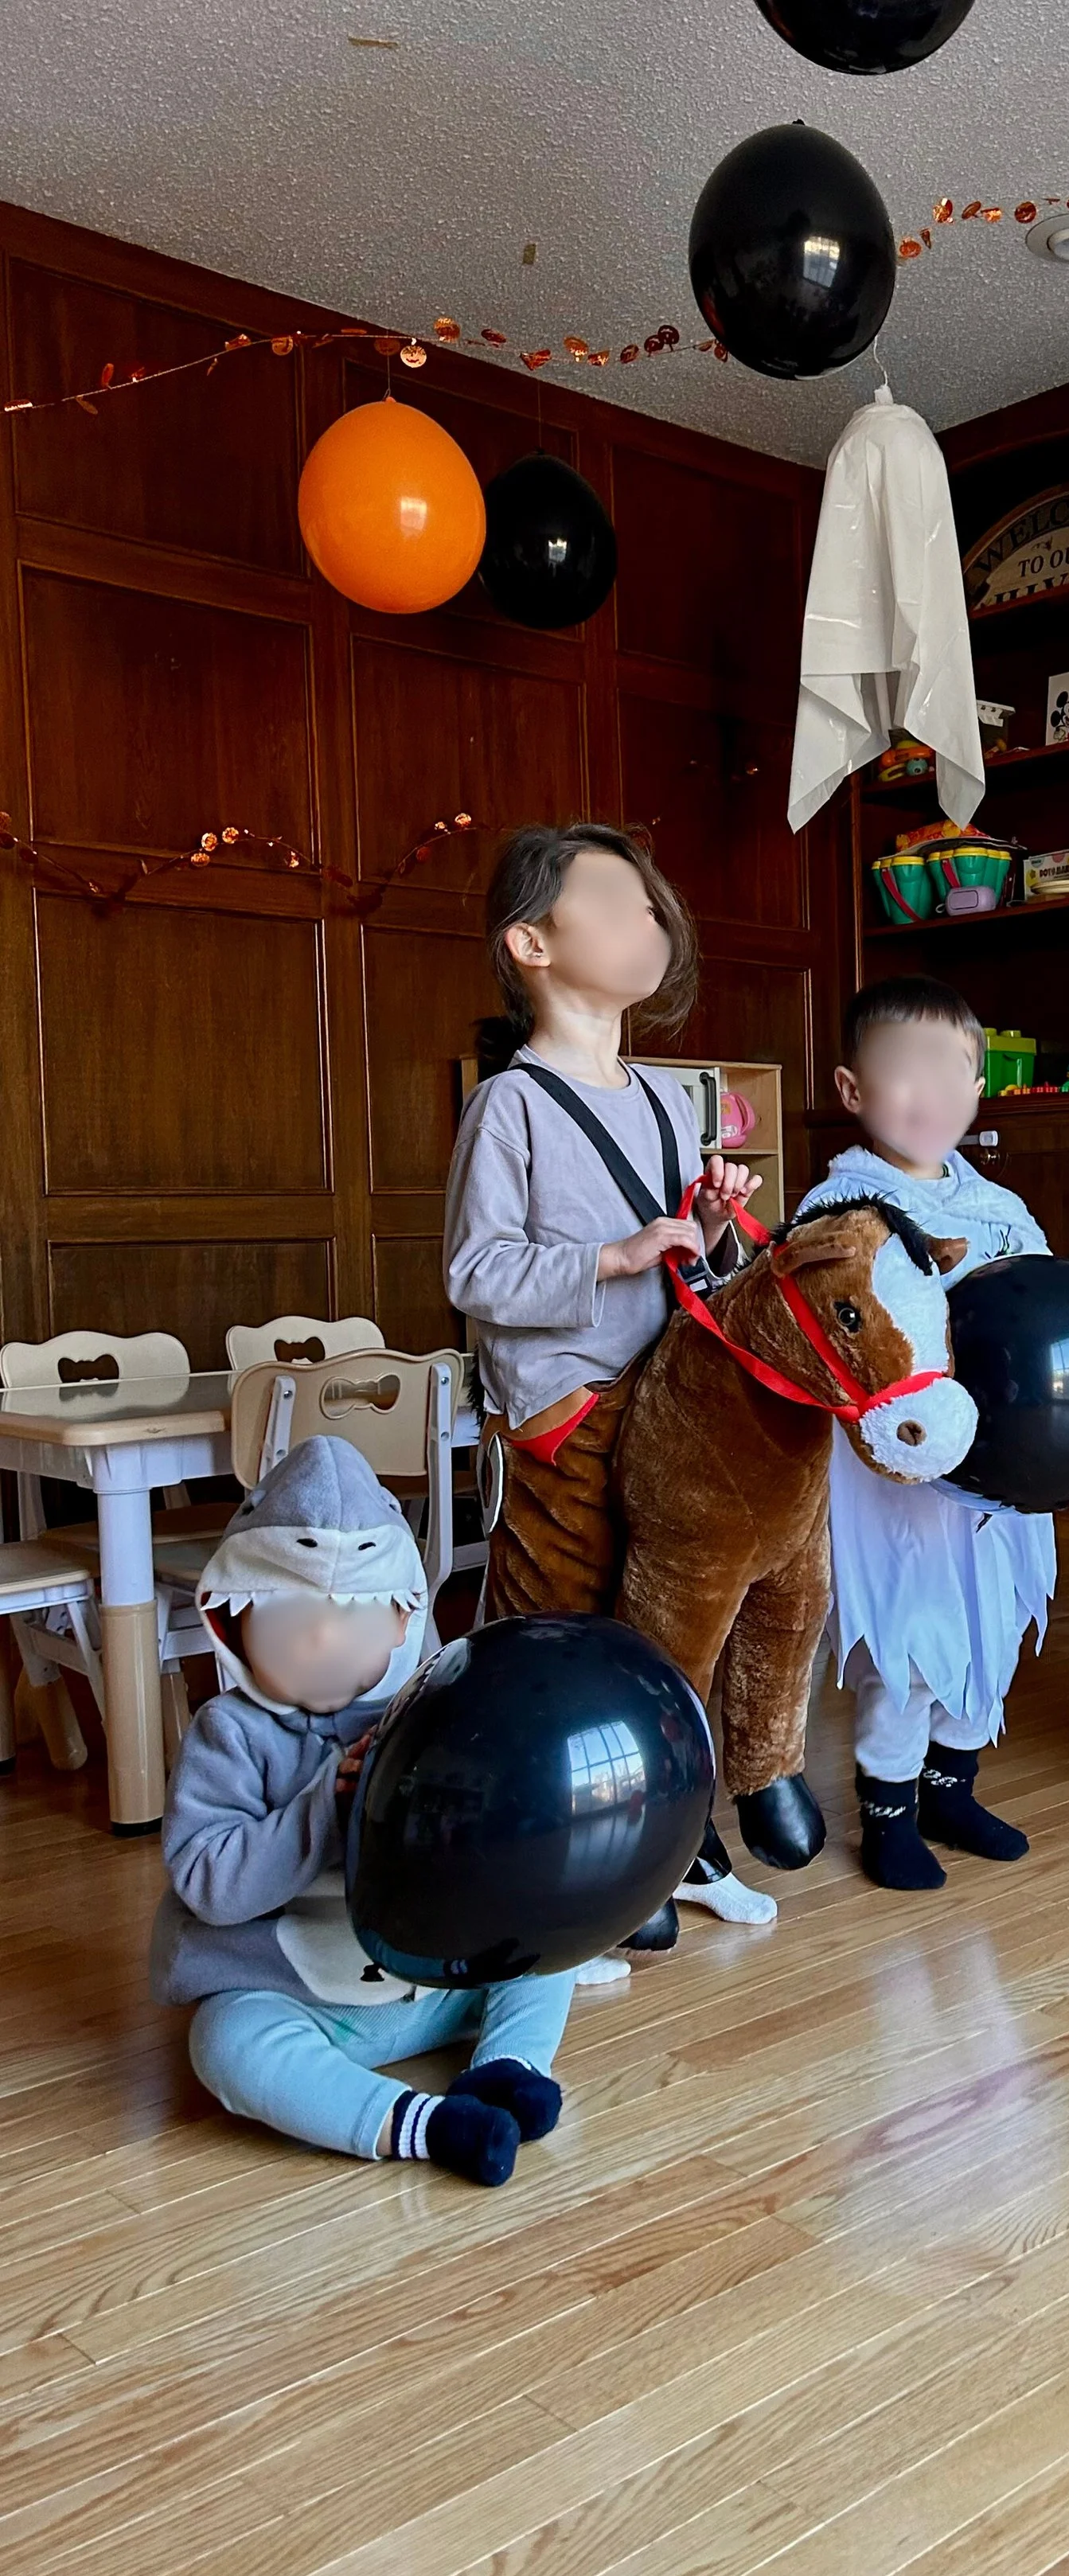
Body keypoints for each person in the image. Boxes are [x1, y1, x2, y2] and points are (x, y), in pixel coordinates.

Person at [443, 822, 772, 1953]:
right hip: (568, 1416)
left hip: (665, 1406)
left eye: (651, 901)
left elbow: (690, 1266)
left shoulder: (663, 1099)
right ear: (532, 942)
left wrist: (708, 1234)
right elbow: (475, 1274)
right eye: (619, 899)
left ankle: (670, 1841)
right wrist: (612, 1257)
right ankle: (550, 1875)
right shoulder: (509, 1105)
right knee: (566, 1637)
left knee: (674, 1629)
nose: (652, 917)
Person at [151, 1438, 572, 2186]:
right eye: (291, 1621)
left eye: (352, 1620)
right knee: (223, 2044)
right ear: (231, 1622)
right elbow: (209, 1882)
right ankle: (411, 2122)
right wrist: (326, 1804)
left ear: (403, 1622)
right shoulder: (229, 1734)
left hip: (440, 1984)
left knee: (549, 1951)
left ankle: (509, 2066)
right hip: (296, 1996)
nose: (323, 1643)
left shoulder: (434, 1708)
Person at [796, 977, 1055, 1889]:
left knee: (985, 1620)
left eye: (954, 1071)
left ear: (980, 1089)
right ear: (852, 1090)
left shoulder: (999, 1209)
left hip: (997, 1468)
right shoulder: (838, 1216)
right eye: (905, 1072)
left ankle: (954, 1786)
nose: (932, 1092)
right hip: (895, 1476)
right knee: (905, 1637)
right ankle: (889, 1810)